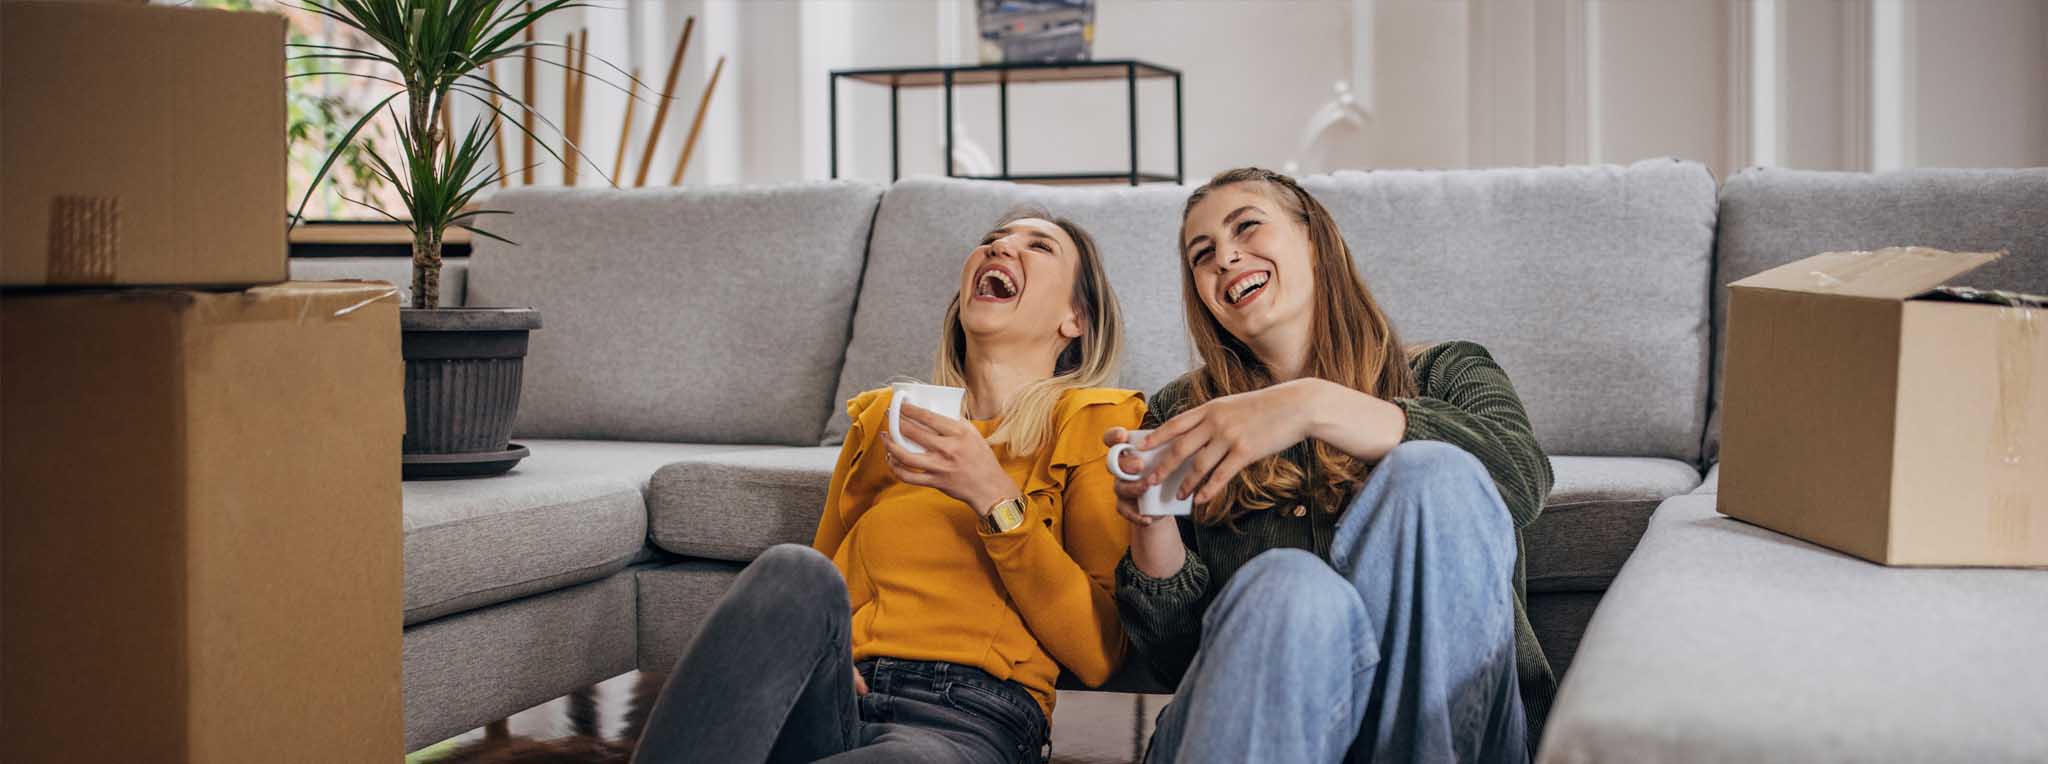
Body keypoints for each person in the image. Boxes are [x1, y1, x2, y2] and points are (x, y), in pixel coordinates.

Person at [632, 209, 1143, 764]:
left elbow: (1099, 653)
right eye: (992, 241)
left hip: (966, 717)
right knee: (794, 570)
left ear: (1077, 317)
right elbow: (821, 588)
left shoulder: (1093, 421)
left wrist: (996, 499)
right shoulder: (884, 420)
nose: (999, 249)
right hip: (837, 699)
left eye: (1038, 247)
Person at [1113, 168, 1554, 763]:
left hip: (1453, 733)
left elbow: (1521, 482)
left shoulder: (1448, 371)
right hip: (1267, 728)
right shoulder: (1182, 413)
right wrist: (1150, 525)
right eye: (1202, 254)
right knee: (1289, 586)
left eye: (1246, 226)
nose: (1225, 256)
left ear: (1315, 241)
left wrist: (1310, 404)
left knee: (1432, 473)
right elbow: (1175, 658)